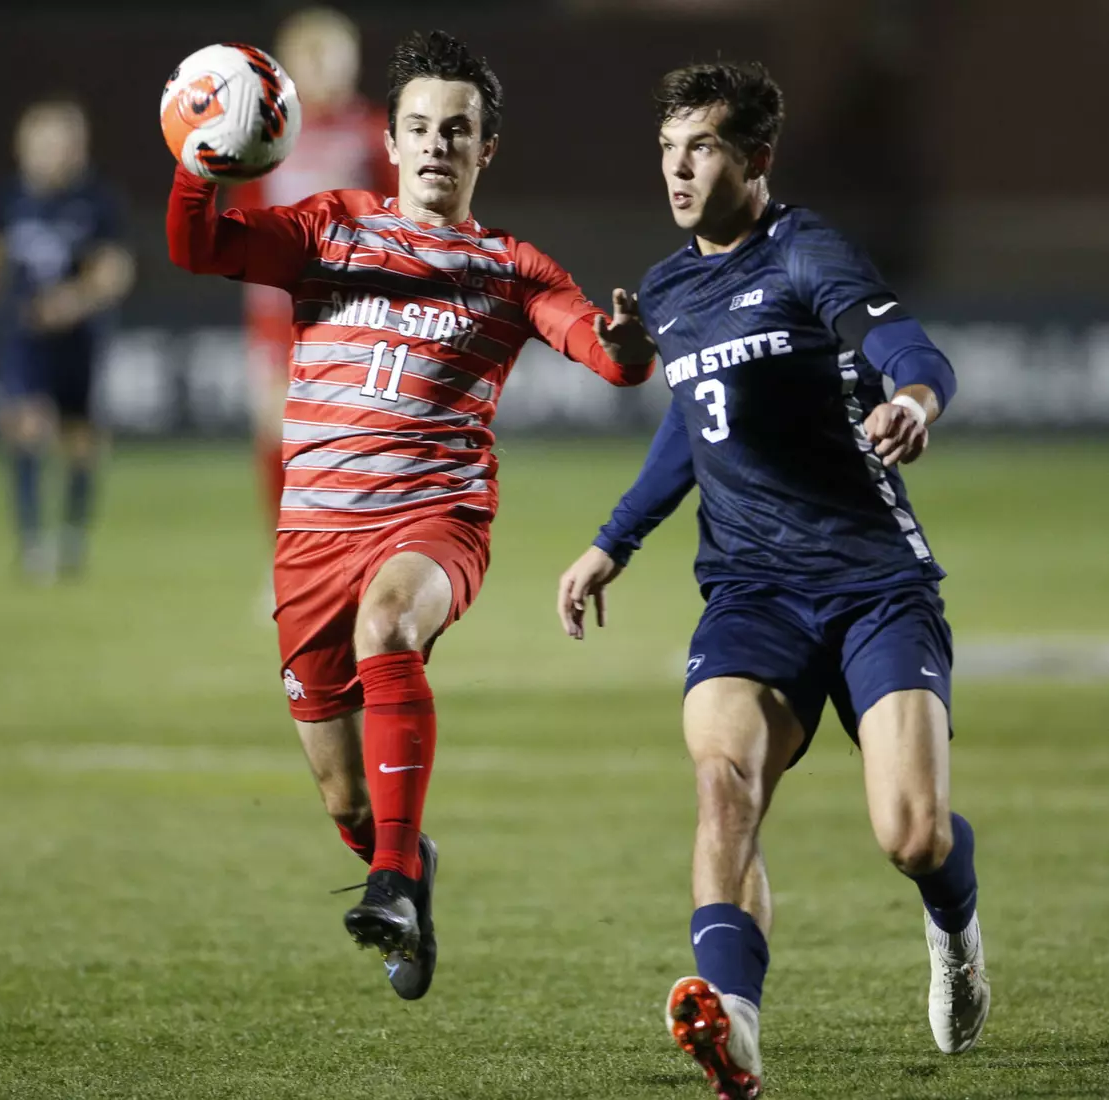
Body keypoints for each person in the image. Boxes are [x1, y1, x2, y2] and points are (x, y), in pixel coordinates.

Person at [167, 30, 655, 1000]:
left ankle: (389, 877)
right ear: (389, 140)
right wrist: (197, 163)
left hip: (437, 518)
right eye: (421, 127)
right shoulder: (328, 229)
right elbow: (200, 247)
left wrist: (628, 342)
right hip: (312, 538)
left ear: (487, 150)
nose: (438, 143)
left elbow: (606, 357)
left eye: (458, 129)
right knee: (343, 793)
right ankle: (402, 852)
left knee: (388, 620)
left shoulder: (511, 270)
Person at [555, 62, 986, 1098]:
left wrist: (917, 397)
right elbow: (694, 423)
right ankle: (733, 1023)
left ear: (756, 158)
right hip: (751, 593)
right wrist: (616, 537)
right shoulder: (663, 289)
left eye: (700, 146)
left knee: (912, 832)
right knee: (723, 780)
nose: (678, 167)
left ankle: (957, 929)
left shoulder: (805, 249)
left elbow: (904, 341)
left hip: (873, 582)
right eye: (667, 149)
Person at [0, 99, 135, 579]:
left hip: (79, 337)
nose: (52, 153)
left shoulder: (97, 203)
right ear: (22, 147)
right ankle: (31, 543)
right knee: (24, 425)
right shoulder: (10, 200)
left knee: (80, 439)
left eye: (62, 143)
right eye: (42, 143)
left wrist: (77, 300)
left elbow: (115, 270)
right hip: (23, 333)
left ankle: (71, 534)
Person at [229, 6, 397, 536]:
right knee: (274, 431)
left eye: (333, 55)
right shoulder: (267, 138)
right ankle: (288, 554)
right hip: (279, 306)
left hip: (353, 306)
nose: (324, 67)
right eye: (311, 55)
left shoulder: (375, 134)